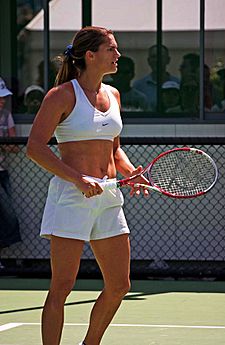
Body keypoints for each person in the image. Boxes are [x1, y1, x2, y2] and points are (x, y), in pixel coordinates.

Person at [26, 26, 148, 345]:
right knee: (62, 287)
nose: (118, 55)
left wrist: (131, 171)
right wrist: (77, 178)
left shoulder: (114, 95)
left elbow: (114, 148)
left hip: (108, 196)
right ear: (90, 55)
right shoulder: (61, 95)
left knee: (120, 285)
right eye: (111, 49)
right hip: (71, 197)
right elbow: (35, 147)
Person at [0, 77, 21, 269]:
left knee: (8, 217)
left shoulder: (6, 116)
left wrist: (4, 144)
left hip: (1, 173)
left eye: (3, 98)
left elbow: (14, 147)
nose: (2, 101)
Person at [133, 44, 179, 111]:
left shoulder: (178, 83)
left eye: (161, 56)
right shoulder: (139, 86)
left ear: (168, 60)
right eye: (154, 57)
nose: (157, 60)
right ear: (148, 61)